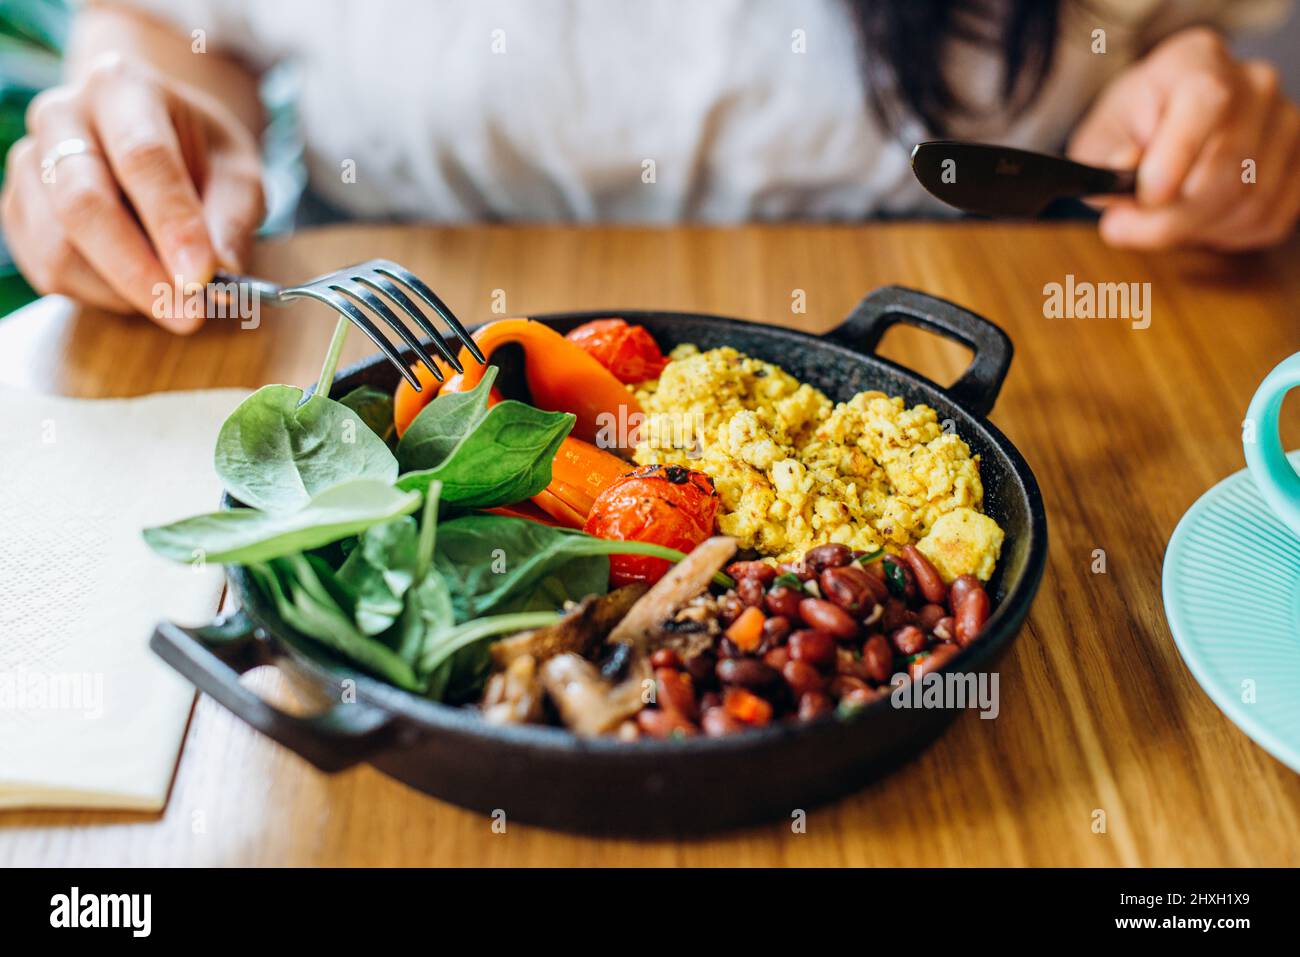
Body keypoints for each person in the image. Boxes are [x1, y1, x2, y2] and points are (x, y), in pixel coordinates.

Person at [3, 0, 1297, 332]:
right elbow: (177, 27)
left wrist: (1200, 123)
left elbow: (1200, 38)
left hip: (986, 305)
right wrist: (157, 125)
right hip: (396, 316)